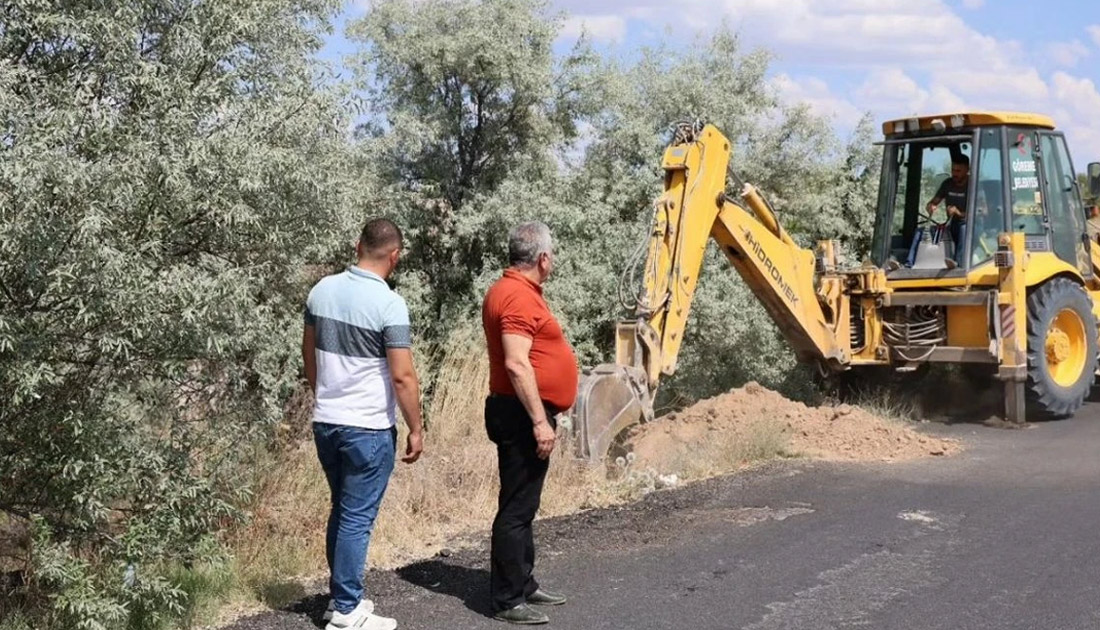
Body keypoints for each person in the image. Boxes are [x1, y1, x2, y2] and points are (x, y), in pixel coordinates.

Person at [302, 218, 425, 630]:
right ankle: (348, 611)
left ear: (358, 246)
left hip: (327, 421)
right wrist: (416, 427)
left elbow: (309, 354)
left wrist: (325, 395)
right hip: (367, 427)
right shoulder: (390, 303)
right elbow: (403, 376)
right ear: (395, 256)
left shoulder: (321, 290)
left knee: (343, 510)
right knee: (356, 517)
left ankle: (340, 601)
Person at [481, 221, 578, 625]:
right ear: (541, 258)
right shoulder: (518, 297)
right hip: (522, 415)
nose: (552, 260)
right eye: (551, 254)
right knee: (516, 508)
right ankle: (507, 599)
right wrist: (540, 421)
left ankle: (523, 582)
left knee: (524, 503)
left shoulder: (514, 291)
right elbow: (517, 363)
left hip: (521, 411)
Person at [926, 154, 971, 264]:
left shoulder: (973, 185)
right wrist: (931, 206)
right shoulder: (948, 184)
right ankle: (910, 263)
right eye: (953, 170)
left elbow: (982, 212)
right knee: (922, 232)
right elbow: (933, 201)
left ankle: (960, 264)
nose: (954, 174)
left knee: (963, 229)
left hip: (971, 225)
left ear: (967, 170)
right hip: (952, 224)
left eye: (958, 171)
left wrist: (958, 213)